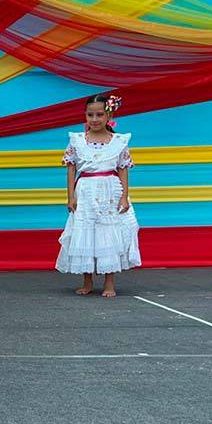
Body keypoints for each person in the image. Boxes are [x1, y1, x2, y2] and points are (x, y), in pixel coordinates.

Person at [56, 94, 140, 297]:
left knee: (108, 233)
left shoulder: (118, 142)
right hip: (85, 191)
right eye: (90, 115)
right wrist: (71, 197)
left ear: (108, 115)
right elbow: (71, 168)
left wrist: (124, 196)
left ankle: (109, 282)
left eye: (99, 114)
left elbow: (122, 169)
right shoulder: (77, 141)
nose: (94, 119)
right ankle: (87, 281)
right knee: (85, 232)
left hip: (110, 192)